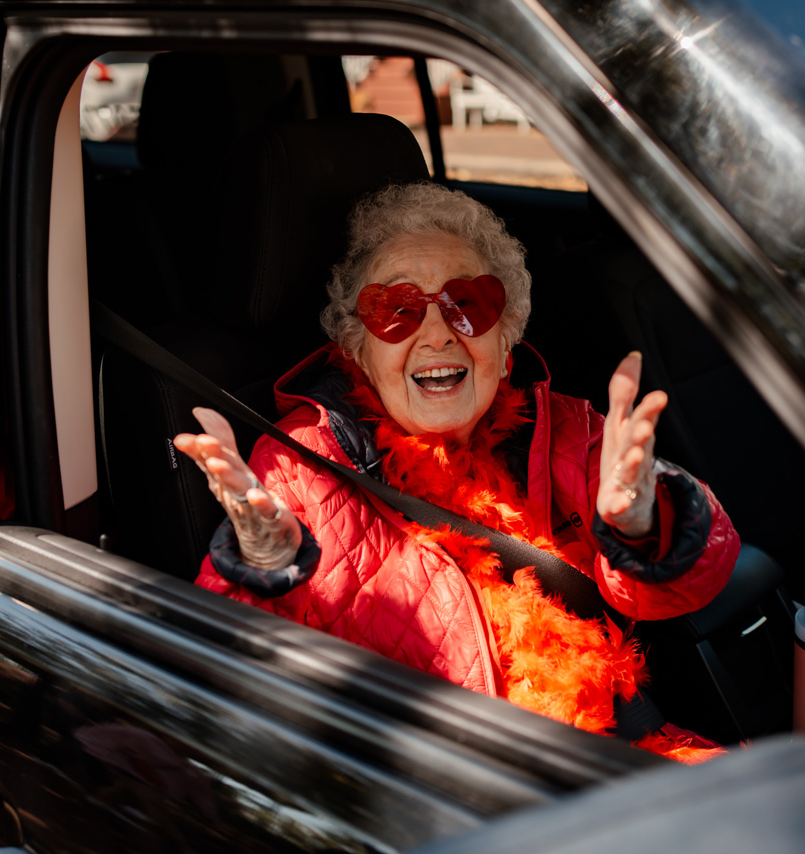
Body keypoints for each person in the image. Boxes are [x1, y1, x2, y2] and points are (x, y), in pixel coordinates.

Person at [174, 182, 739, 761]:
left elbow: (699, 576)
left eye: (467, 305)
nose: (438, 333)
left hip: (615, 757)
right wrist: (263, 567)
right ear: (357, 346)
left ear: (507, 334)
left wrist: (647, 524)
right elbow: (233, 684)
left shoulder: (567, 427)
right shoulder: (300, 462)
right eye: (397, 311)